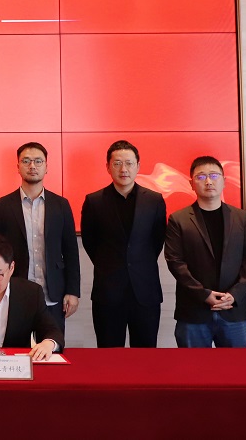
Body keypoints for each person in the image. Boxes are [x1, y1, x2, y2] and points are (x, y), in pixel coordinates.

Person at [164, 156, 246, 347]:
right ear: (191, 184)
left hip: (233, 310)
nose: (208, 181)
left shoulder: (241, 218)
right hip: (194, 312)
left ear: (224, 180)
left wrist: (235, 294)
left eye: (214, 176)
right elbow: (175, 262)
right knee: (193, 366)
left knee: (236, 365)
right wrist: (203, 294)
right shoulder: (179, 219)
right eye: (201, 177)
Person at [80, 140, 166, 347]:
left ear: (138, 165)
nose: (123, 169)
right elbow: (90, 242)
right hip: (108, 292)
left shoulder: (154, 200)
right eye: (117, 163)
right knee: (109, 355)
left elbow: (157, 240)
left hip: (145, 292)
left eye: (129, 163)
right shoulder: (94, 201)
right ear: (108, 167)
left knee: (146, 355)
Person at [0, 141, 80, 332]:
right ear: (18, 166)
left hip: (53, 294)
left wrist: (73, 291)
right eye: (26, 161)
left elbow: (71, 251)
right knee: (17, 347)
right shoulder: (3, 205)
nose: (32, 166)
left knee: (53, 344)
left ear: (46, 167)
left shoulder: (61, 205)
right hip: (14, 292)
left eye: (38, 161)